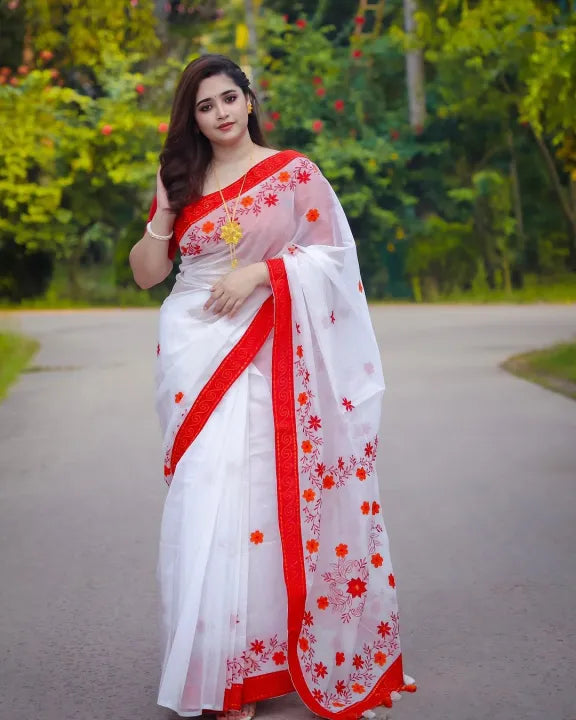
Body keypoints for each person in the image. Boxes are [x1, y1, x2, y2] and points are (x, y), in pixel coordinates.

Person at [129, 54, 415, 720]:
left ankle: (251, 671)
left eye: (229, 98)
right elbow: (146, 275)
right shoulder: (182, 179)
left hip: (270, 354)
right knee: (204, 501)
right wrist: (165, 209)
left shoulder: (293, 174)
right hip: (196, 353)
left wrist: (261, 273)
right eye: (205, 106)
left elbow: (333, 261)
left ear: (250, 101)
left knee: (257, 503)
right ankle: (213, 663)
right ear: (192, 119)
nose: (221, 113)